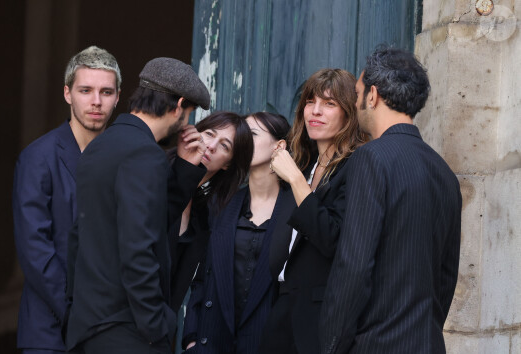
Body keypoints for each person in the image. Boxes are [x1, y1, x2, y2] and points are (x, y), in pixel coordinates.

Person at [319, 47, 462, 354]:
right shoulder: (445, 173)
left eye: (357, 94)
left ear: (372, 95)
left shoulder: (371, 158)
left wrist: (332, 345)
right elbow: (447, 276)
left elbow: (353, 266)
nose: (356, 103)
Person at [65, 57, 210, 354]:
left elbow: (80, 237)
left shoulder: (100, 146)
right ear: (179, 105)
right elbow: (138, 247)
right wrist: (156, 326)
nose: (187, 122)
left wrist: (183, 169)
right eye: (190, 113)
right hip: (126, 330)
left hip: (91, 327)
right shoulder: (144, 154)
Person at [12, 46, 120, 354]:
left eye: (106, 91)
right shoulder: (38, 158)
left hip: (112, 333)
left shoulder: (126, 161)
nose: (96, 101)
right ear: (67, 93)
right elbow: (35, 250)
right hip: (50, 333)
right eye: (85, 90)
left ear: (118, 96)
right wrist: (77, 314)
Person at [260, 68, 368, 354]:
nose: (315, 112)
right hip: (283, 308)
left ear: (348, 113)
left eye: (329, 104)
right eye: (310, 102)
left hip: (321, 317)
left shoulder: (355, 167)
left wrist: (295, 180)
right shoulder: (306, 165)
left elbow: (332, 238)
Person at [183, 112, 292, 354]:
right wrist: (191, 338)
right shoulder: (220, 205)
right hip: (211, 344)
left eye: (251, 135)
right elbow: (201, 279)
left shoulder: (296, 209)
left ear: (279, 146)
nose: (243, 141)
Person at [169, 111, 254, 312]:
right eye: (209, 134)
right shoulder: (155, 178)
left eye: (225, 145)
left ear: (228, 164)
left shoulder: (203, 216)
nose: (211, 146)